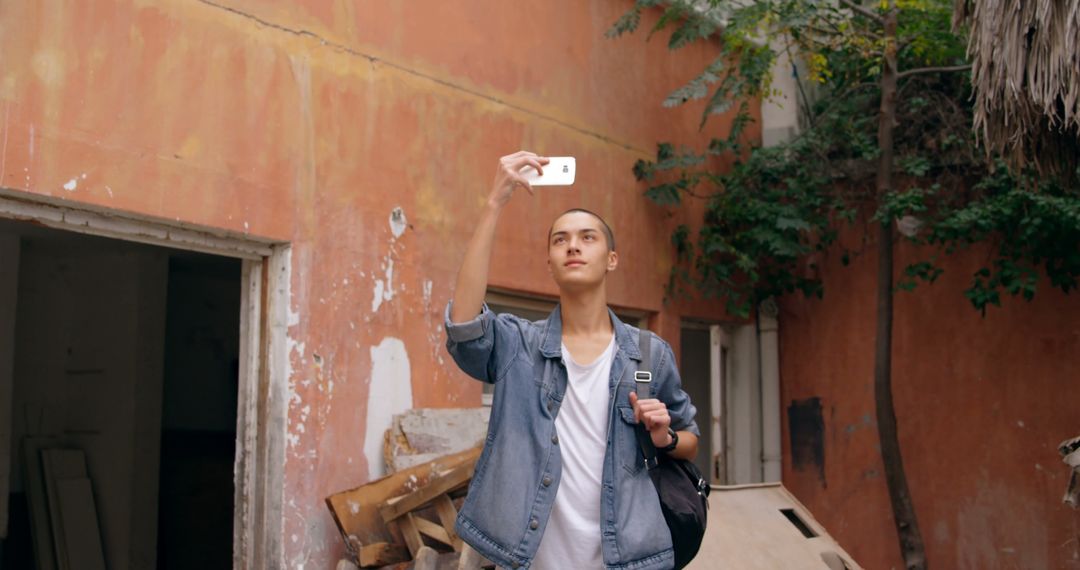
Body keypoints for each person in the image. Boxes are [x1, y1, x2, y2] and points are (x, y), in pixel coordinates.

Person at [445, 151, 700, 570]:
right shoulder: (518, 347)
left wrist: (664, 437)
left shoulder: (649, 353)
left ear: (611, 259)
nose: (573, 246)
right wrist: (495, 202)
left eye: (587, 237)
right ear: (550, 264)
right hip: (532, 559)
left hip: (629, 559)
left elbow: (689, 441)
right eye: (560, 239)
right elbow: (465, 327)